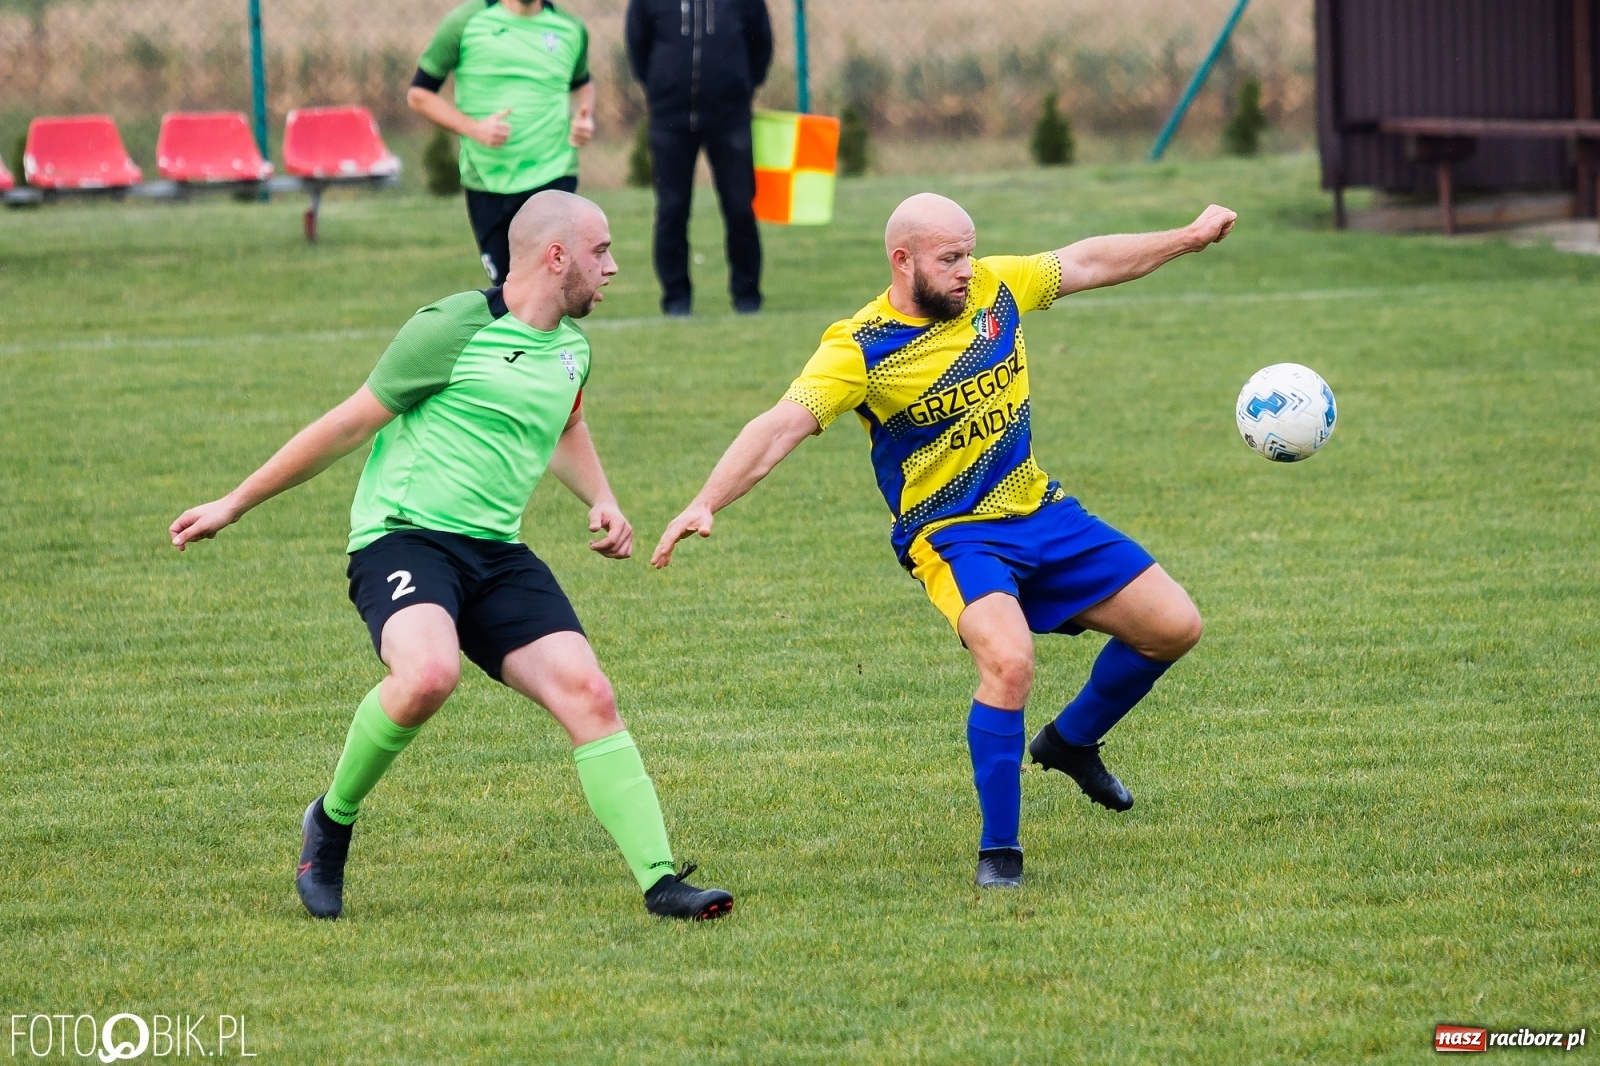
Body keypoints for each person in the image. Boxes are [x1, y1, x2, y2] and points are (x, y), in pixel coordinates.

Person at [170, 191, 733, 922]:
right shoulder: (450, 328)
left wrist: (602, 498)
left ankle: (661, 884)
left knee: (589, 693)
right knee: (429, 674)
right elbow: (347, 424)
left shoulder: (572, 347)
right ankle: (331, 822)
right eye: (602, 251)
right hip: (403, 537)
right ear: (555, 256)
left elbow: (565, 426)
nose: (614, 267)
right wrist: (234, 502)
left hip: (495, 553)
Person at [652, 193, 1237, 889]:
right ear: (903, 261)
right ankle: (1001, 854)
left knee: (1174, 627)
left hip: (1041, 511)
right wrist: (705, 501)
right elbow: (782, 424)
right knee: (1010, 663)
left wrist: (1191, 237)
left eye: (969, 251)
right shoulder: (861, 346)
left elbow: (1087, 260)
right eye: (950, 257)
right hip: (954, 536)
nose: (967, 269)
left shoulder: (996, 287)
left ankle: (1071, 743)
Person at [408, 0, 598, 285]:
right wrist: (473, 128)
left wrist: (585, 118)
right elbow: (419, 95)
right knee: (509, 292)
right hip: (488, 179)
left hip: (554, 172)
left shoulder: (570, 29)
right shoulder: (464, 23)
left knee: (555, 288)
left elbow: (582, 81)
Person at [625, 0, 772, 316]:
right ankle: (676, 299)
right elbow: (638, 46)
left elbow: (761, 45)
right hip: (669, 119)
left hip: (730, 116)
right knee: (672, 210)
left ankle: (747, 296)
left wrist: (740, 87)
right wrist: (661, 87)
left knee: (739, 207)